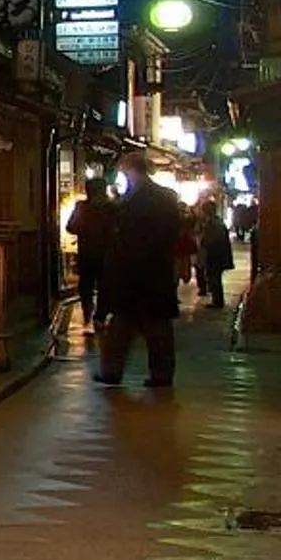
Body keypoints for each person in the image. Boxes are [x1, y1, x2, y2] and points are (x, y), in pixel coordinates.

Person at [98, 147, 186, 389]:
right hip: (148, 271)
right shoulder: (160, 197)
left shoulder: (145, 198)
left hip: (144, 270)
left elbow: (147, 234)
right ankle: (130, 372)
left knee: (144, 325)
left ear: (130, 171)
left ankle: (122, 372)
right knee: (132, 325)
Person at [65, 179, 116, 345]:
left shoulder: (82, 207)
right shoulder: (111, 208)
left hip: (87, 253)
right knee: (104, 287)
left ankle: (89, 314)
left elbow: (71, 227)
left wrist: (84, 229)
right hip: (105, 255)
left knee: (86, 287)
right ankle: (99, 317)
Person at [193, 193, 236, 315]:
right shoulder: (216, 222)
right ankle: (217, 300)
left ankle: (217, 301)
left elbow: (209, 240)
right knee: (214, 278)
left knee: (214, 278)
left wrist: (202, 241)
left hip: (215, 256)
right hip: (217, 255)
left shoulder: (212, 223)